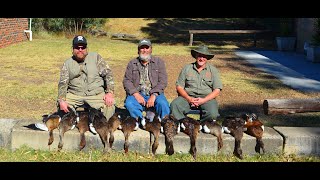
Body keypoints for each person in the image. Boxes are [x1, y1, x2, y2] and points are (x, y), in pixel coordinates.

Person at [56, 35, 115, 134]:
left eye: (82, 47)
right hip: (75, 94)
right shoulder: (67, 63)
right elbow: (63, 83)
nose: (80, 50)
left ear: (87, 48)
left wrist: (109, 92)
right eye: (77, 47)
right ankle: (73, 120)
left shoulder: (96, 58)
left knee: (110, 105)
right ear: (72, 49)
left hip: (95, 94)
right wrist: (61, 99)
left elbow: (108, 74)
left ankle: (98, 123)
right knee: (61, 104)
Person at [170, 45, 222, 122]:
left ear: (207, 58)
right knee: (175, 105)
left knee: (213, 113)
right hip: (187, 97)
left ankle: (201, 126)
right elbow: (179, 87)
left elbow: (217, 90)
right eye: (199, 56)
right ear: (196, 56)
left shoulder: (213, 70)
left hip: (206, 98)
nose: (201, 58)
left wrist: (203, 100)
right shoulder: (187, 68)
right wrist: (189, 98)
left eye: (204, 56)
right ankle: (183, 124)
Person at [123, 38, 170, 123]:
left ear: (151, 49)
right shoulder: (132, 63)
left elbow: (163, 81)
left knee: (163, 104)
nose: (144, 50)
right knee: (129, 103)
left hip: (155, 94)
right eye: (142, 48)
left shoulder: (159, 62)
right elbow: (127, 81)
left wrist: (154, 95)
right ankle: (140, 122)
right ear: (138, 50)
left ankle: (165, 124)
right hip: (138, 93)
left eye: (147, 48)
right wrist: (136, 94)